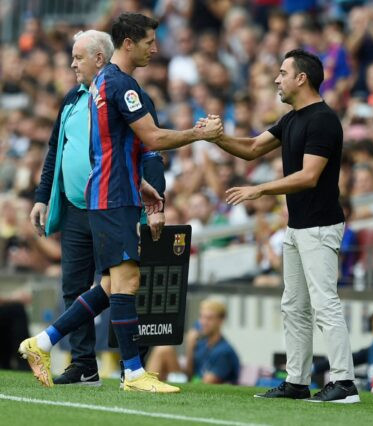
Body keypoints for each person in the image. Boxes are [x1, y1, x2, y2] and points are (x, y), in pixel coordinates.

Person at [19, 13, 222, 393]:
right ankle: (133, 373)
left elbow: (110, 146)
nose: (155, 49)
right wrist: (200, 133)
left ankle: (42, 342)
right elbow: (153, 140)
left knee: (112, 286)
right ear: (128, 42)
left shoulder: (101, 84)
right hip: (112, 198)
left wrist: (141, 183)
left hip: (113, 193)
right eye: (149, 42)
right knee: (127, 281)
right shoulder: (122, 85)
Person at [199, 49, 358, 403]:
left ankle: (345, 383)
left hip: (320, 227)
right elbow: (253, 148)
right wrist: (217, 137)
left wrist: (260, 189)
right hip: (298, 227)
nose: (276, 79)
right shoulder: (291, 119)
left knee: (324, 303)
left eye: (282, 72)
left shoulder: (324, 120)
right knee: (294, 305)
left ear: (302, 78)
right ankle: (297, 381)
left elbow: (309, 176)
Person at [28, 29, 166, 386]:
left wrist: (156, 203)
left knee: (118, 283)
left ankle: (127, 366)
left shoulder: (125, 94)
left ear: (99, 58)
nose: (72, 64)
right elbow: (55, 151)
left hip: (112, 202)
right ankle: (86, 364)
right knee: (91, 285)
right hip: (81, 206)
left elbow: (150, 152)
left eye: (78, 57)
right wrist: (43, 195)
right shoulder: (73, 99)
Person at [146, 298, 240, 384]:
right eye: (202, 317)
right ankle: (146, 387)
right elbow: (189, 374)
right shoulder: (202, 343)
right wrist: (190, 347)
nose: (204, 322)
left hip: (206, 392)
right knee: (164, 349)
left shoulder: (224, 352)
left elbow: (206, 384)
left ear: (220, 321)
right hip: (192, 382)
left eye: (209, 318)